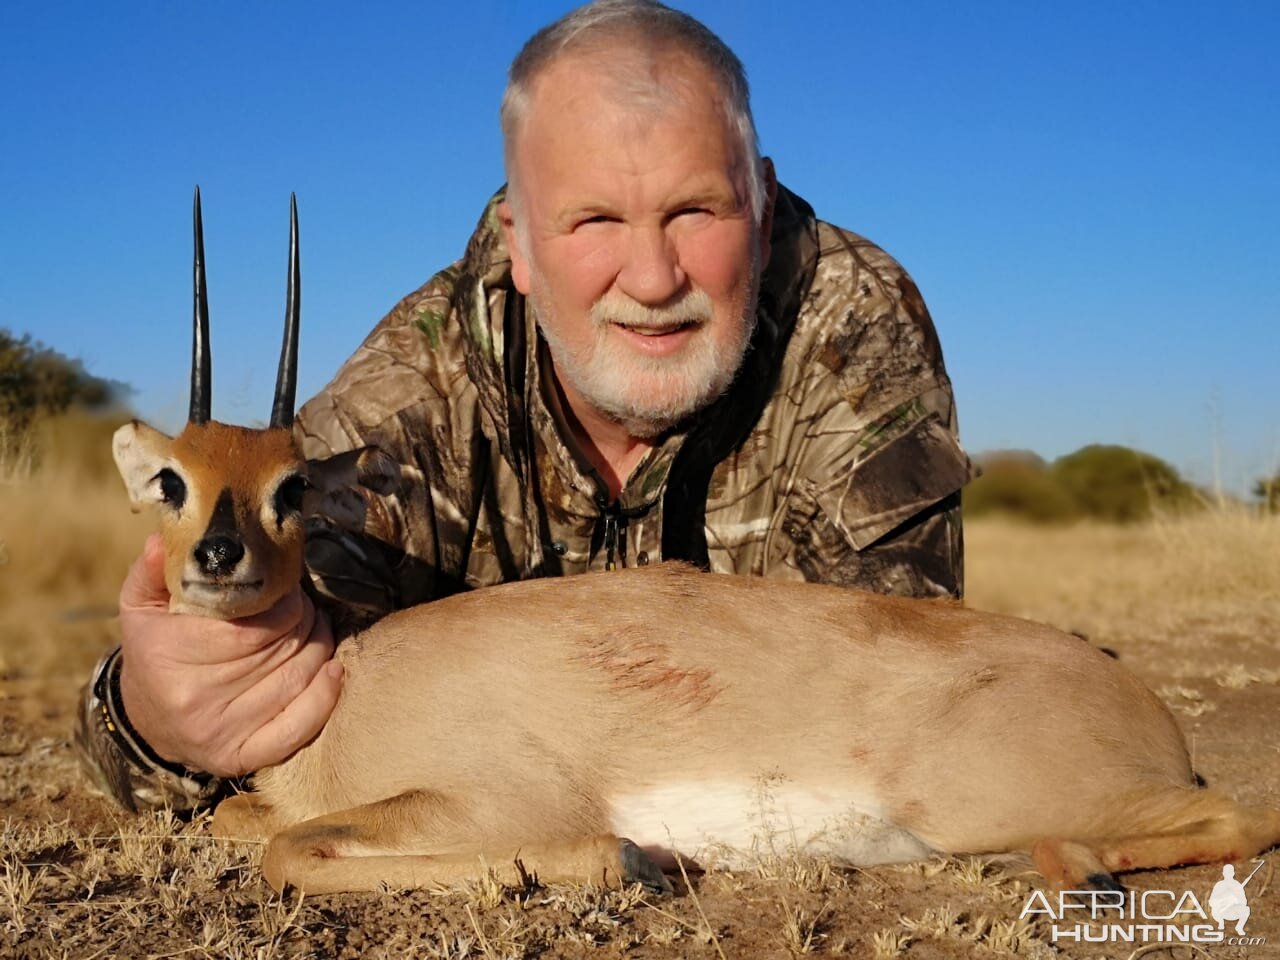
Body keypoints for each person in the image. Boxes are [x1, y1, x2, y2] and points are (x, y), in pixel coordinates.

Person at [75, 0, 975, 812]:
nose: (656, 279)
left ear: (764, 205)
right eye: (593, 222)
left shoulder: (849, 324)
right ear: (520, 241)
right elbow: (270, 650)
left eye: (698, 210)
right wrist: (159, 714)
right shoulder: (419, 384)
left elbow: (901, 674)